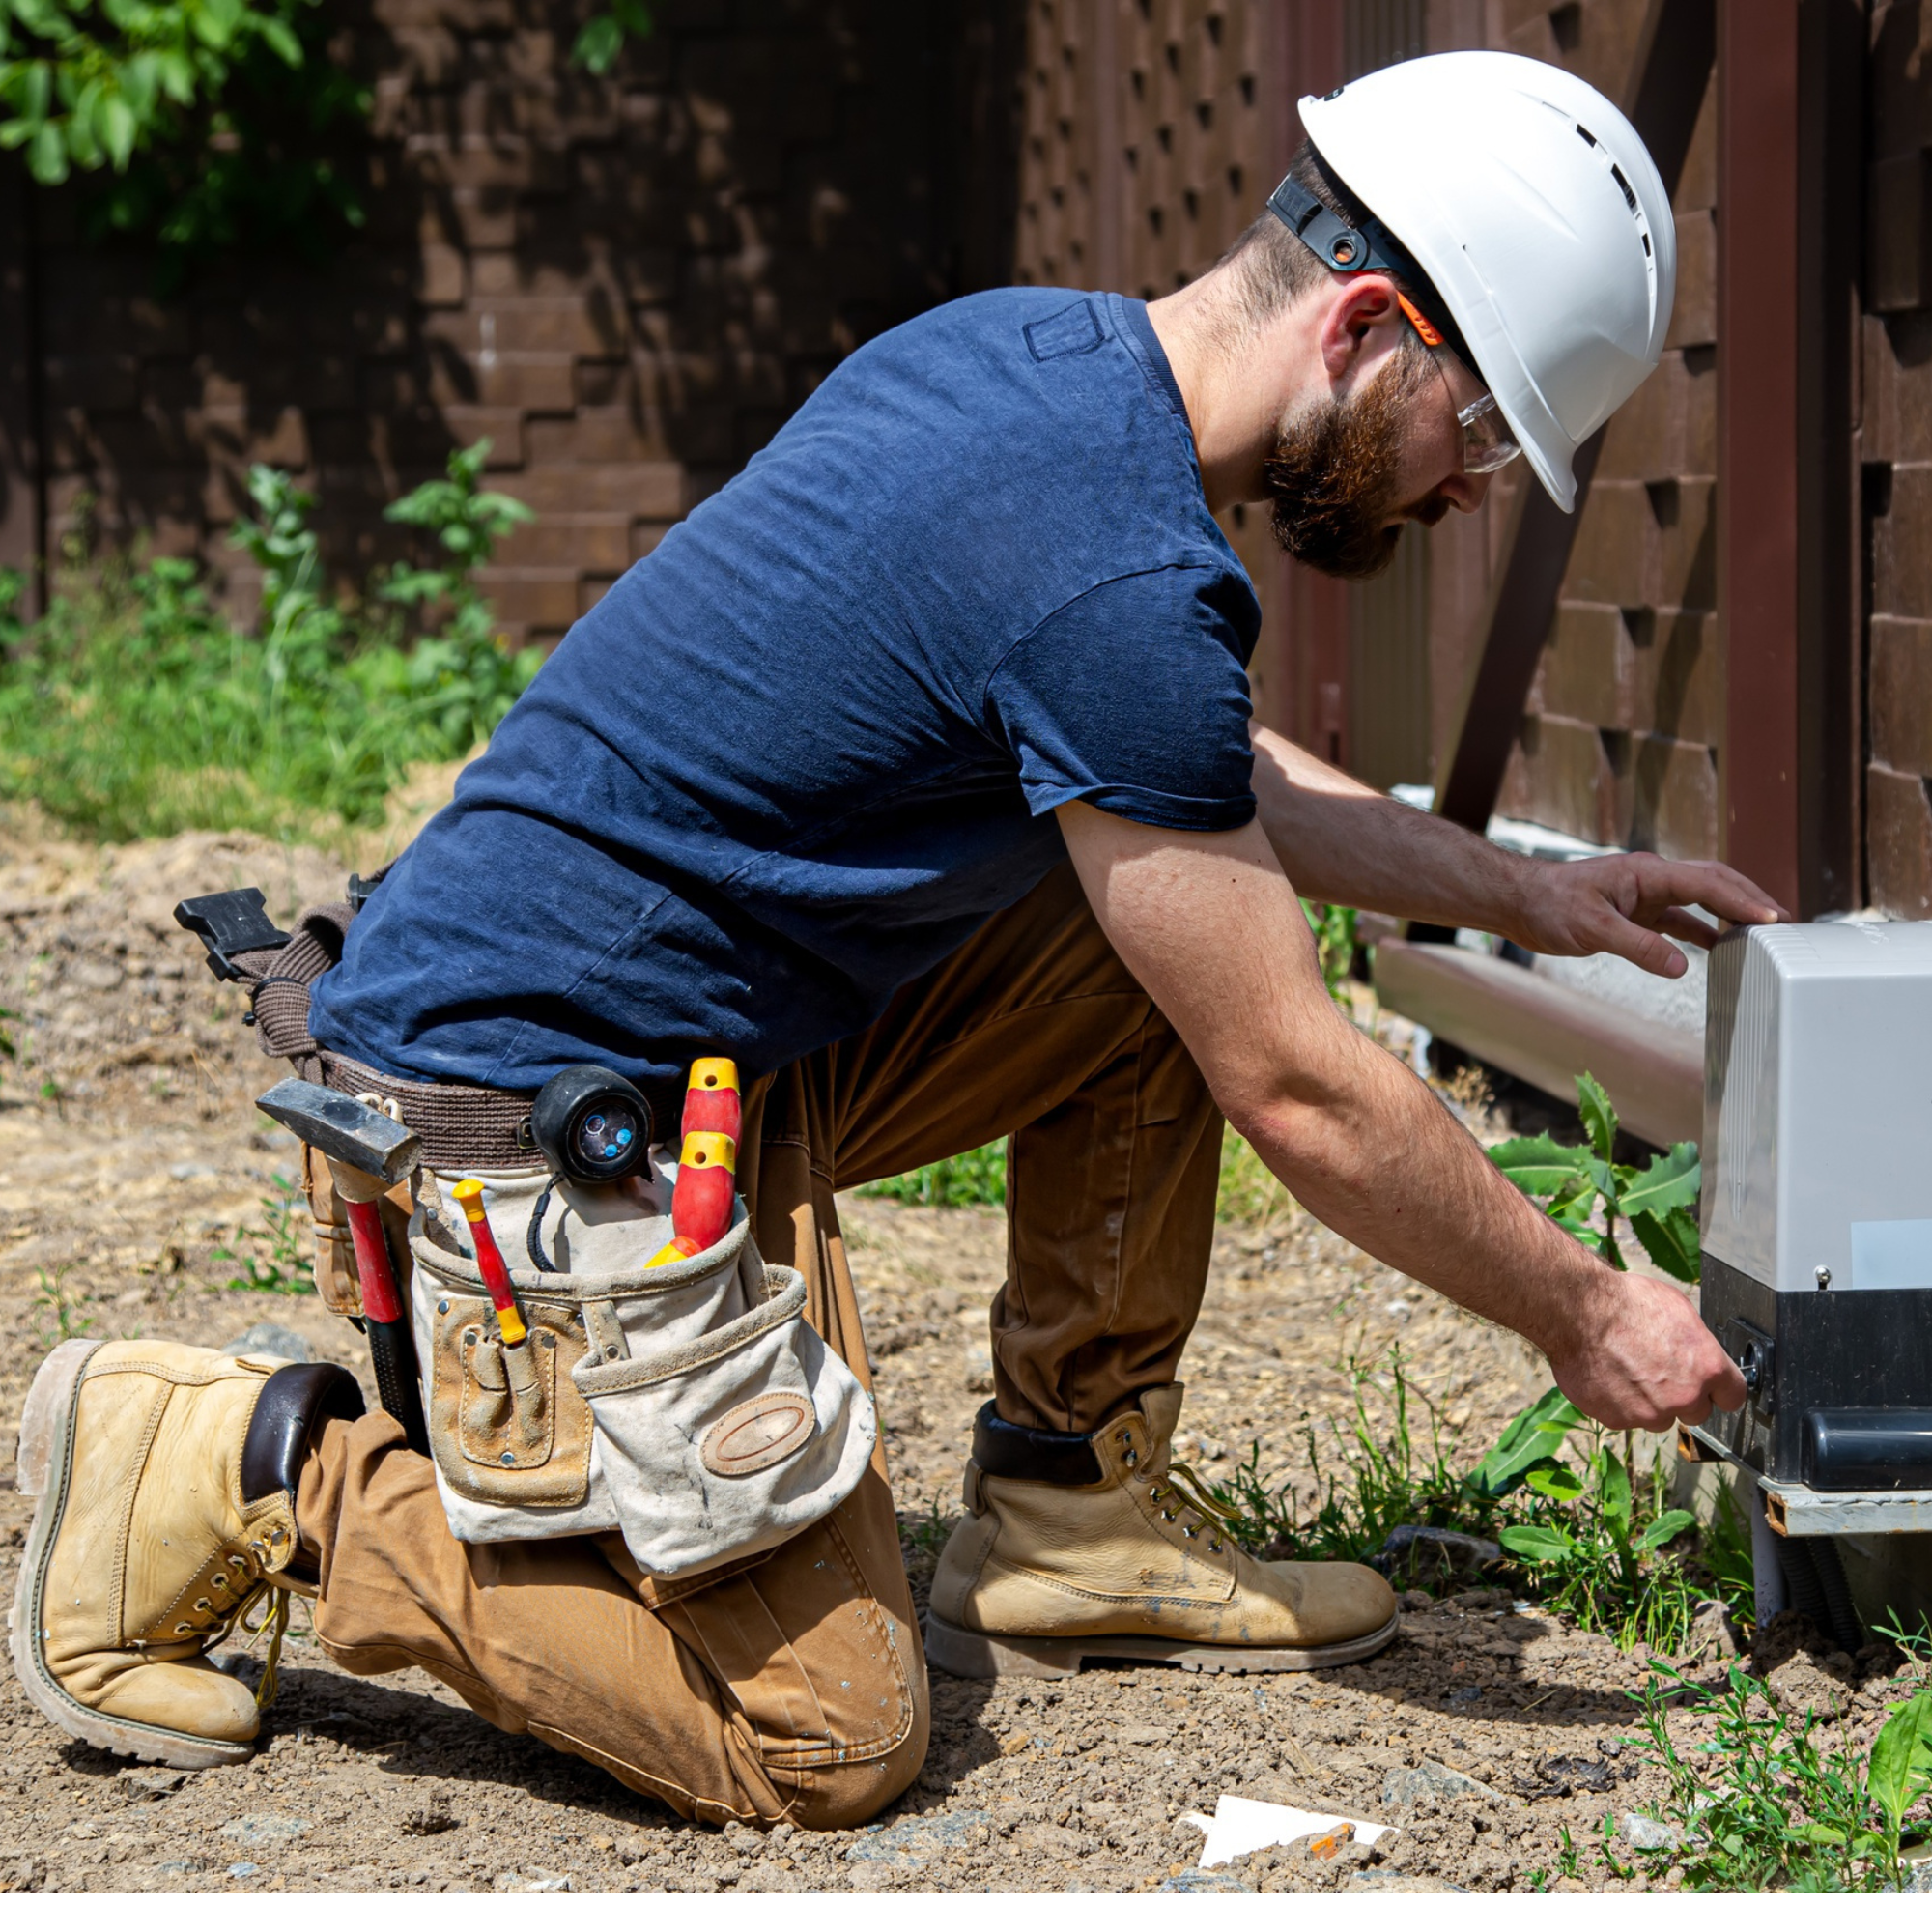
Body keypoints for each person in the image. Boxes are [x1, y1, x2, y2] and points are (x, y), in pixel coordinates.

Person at [12, 50, 1761, 1830]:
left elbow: (1197, 779)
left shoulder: (1036, 360)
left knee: (1168, 923)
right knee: (827, 1741)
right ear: (1371, 324)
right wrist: (1585, 1311)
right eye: (1475, 431)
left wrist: (1523, 890)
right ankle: (245, 1466)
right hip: (518, 1125)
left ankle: (1070, 1508)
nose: (1466, 491)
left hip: (675, 1045)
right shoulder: (1116, 571)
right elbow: (1301, 1089)